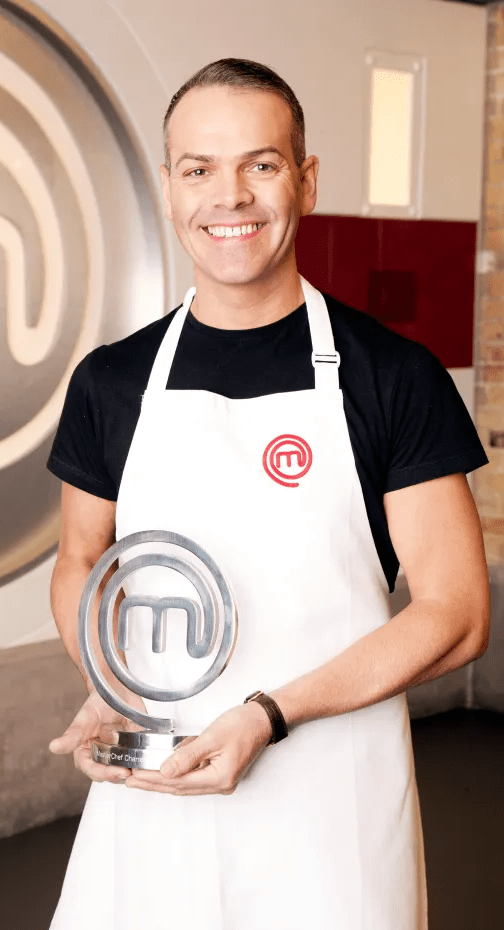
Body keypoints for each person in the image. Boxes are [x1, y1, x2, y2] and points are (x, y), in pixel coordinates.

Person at [46, 58, 489, 930]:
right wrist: (108, 680)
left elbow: (457, 613)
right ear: (169, 190)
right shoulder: (113, 382)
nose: (230, 196)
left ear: (306, 180)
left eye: (262, 164)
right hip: (155, 786)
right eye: (199, 169)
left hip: (331, 803)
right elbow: (80, 559)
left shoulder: (392, 376)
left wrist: (269, 715)